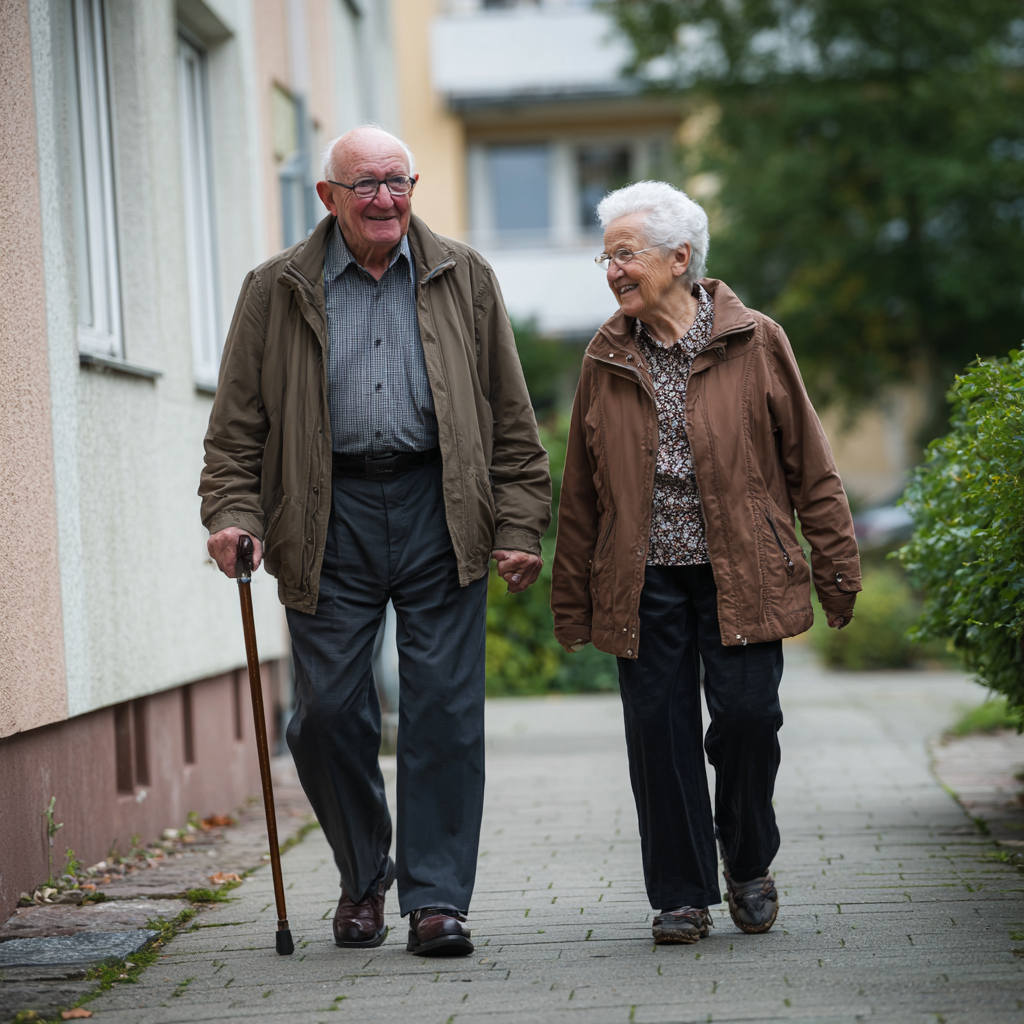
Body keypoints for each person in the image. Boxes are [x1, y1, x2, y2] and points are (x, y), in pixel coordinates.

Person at [199, 126, 550, 957]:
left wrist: (520, 521)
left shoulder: (465, 277)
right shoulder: (275, 287)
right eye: (366, 185)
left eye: (399, 181)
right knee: (323, 716)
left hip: (442, 505)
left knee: (445, 711)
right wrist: (233, 513)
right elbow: (236, 429)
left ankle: (437, 902)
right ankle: (365, 875)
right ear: (328, 198)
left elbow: (510, 414)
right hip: (326, 515)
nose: (386, 198)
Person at [550, 181, 861, 945]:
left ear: (679, 257)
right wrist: (571, 597)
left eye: (625, 254)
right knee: (658, 734)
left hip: (743, 567)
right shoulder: (605, 353)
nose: (613, 270)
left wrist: (837, 564)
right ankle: (681, 894)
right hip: (642, 576)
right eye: (608, 256)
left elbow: (810, 465)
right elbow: (581, 491)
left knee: (750, 721)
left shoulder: (756, 340)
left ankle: (748, 857)